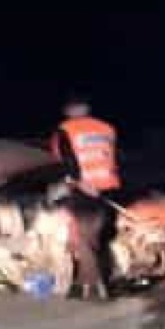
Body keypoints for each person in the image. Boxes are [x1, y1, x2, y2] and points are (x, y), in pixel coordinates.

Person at [50, 94, 120, 302]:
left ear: (69, 111)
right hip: (107, 186)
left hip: (84, 188)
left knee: (84, 238)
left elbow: (67, 161)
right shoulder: (106, 128)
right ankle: (89, 282)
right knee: (97, 238)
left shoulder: (66, 130)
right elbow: (110, 156)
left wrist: (80, 183)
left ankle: (94, 285)